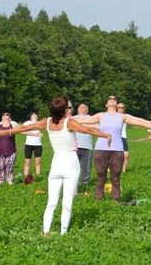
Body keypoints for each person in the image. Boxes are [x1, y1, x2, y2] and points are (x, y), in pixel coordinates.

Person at [6, 96, 112, 235]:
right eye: (68, 107)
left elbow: (26, 127)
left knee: (51, 202)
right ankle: (63, 233)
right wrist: (105, 135)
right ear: (63, 110)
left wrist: (3, 132)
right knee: (67, 202)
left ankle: (45, 232)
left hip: (56, 165)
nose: (69, 110)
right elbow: (88, 130)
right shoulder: (69, 123)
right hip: (71, 165)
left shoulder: (47, 122)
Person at [91, 95, 151, 200]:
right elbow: (84, 120)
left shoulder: (122, 117)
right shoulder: (100, 115)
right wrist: (67, 120)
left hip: (117, 151)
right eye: (110, 99)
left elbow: (137, 121)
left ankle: (116, 200)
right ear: (106, 104)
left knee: (116, 177)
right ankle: (99, 199)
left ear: (116, 103)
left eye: (114, 99)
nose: (112, 100)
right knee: (100, 176)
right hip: (101, 150)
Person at [0, 113, 19, 184]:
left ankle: (10, 181)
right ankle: (0, 181)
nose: (4, 115)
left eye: (7, 115)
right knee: (0, 167)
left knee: (9, 169)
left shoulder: (13, 126)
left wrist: (34, 133)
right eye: (3, 115)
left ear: (10, 119)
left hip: (11, 151)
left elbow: (24, 130)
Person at [72, 103, 94, 194]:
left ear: (87, 110)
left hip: (87, 146)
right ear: (77, 110)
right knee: (73, 167)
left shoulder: (91, 118)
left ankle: (85, 184)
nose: (82, 109)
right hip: (74, 147)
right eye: (80, 107)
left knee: (86, 167)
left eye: (84, 107)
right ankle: (73, 183)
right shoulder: (73, 118)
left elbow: (96, 127)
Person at [22, 112, 43, 180]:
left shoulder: (39, 123)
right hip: (28, 145)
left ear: (37, 117)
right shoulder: (27, 123)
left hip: (38, 145)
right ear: (30, 117)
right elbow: (22, 131)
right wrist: (33, 134)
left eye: (35, 115)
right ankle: (26, 177)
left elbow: (41, 132)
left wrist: (40, 134)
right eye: (32, 115)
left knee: (38, 162)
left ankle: (37, 177)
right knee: (27, 162)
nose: (34, 116)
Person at [117, 102, 132, 173]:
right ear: (116, 108)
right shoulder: (113, 115)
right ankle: (110, 168)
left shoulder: (126, 116)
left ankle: (124, 171)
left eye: (122, 108)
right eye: (119, 107)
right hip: (115, 138)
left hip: (123, 137)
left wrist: (148, 125)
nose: (120, 109)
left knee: (126, 156)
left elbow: (137, 121)